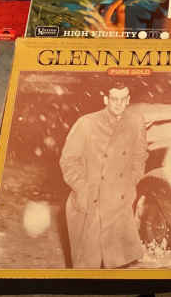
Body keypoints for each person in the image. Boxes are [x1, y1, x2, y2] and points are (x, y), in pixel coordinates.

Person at [59, 82, 147, 268]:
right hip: (91, 203)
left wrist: (131, 182)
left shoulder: (136, 123)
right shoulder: (86, 124)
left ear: (128, 100)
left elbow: (140, 156)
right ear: (106, 99)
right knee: (87, 265)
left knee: (118, 263)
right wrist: (83, 189)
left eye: (123, 99)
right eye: (114, 99)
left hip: (119, 203)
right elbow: (68, 161)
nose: (119, 104)